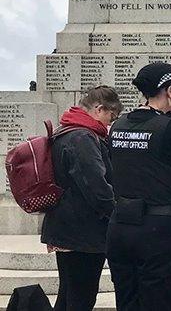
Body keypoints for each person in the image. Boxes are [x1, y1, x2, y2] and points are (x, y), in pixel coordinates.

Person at [106, 62, 171, 311]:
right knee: (163, 301)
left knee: (128, 300)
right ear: (169, 90)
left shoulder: (118, 126)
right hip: (162, 231)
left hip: (121, 226)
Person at [41, 86, 122, 311]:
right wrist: (116, 214)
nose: (109, 124)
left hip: (68, 228)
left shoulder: (65, 130)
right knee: (81, 298)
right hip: (84, 233)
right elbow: (96, 186)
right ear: (99, 109)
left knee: (68, 294)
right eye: (110, 116)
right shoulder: (83, 137)